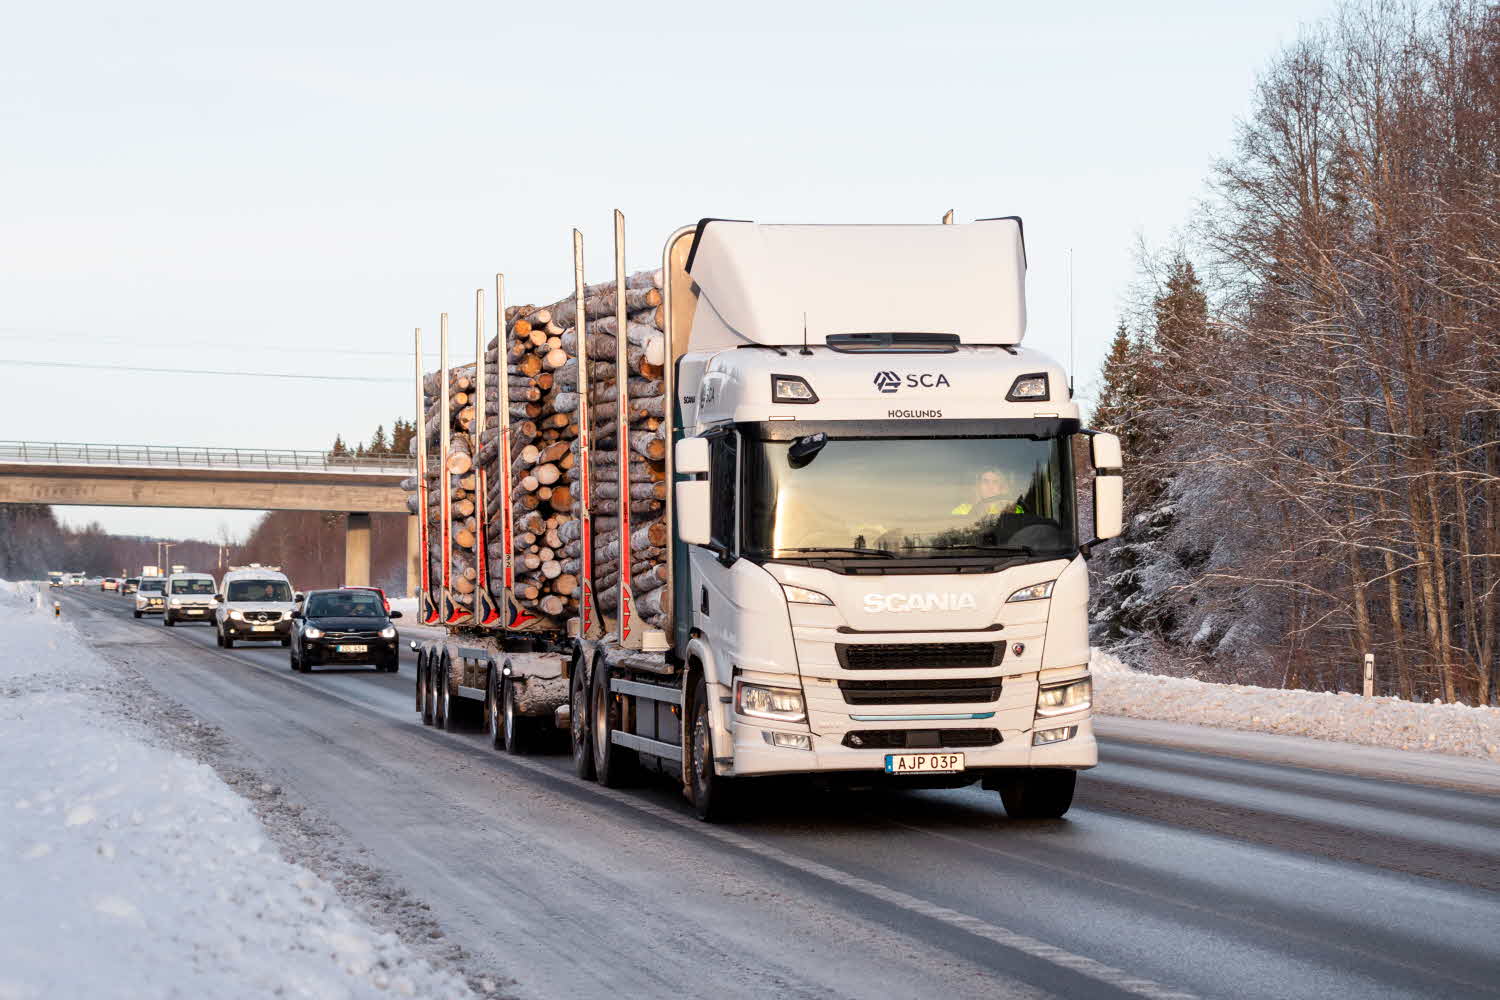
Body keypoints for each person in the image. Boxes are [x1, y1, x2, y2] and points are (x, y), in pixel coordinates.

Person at [951, 468, 1027, 517]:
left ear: (1001, 486)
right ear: (978, 486)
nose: (990, 486)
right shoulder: (964, 509)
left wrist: (1007, 507)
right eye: (985, 481)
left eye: (995, 482)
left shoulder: (1015, 508)